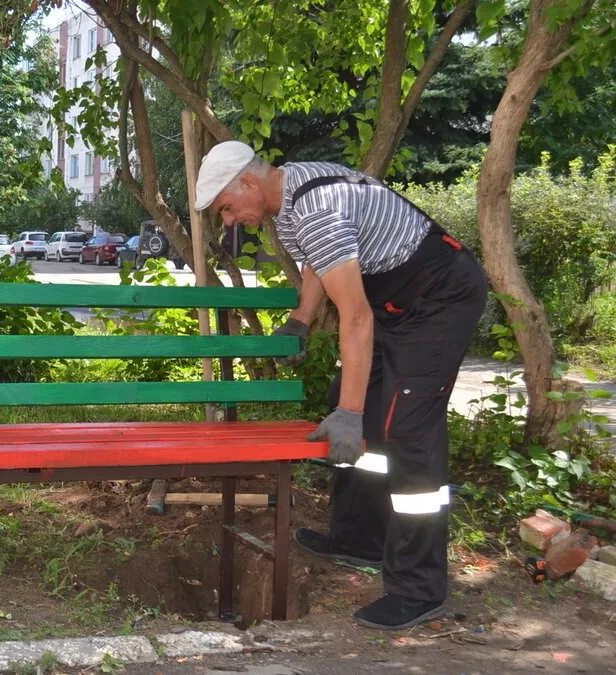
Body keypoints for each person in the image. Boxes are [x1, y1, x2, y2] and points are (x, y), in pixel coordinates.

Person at [193, 141, 488, 630]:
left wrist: (352, 414)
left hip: (439, 297)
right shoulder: (286, 203)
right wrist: (301, 319)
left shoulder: (315, 209)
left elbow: (355, 316)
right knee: (349, 403)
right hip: (398, 302)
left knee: (406, 428)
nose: (228, 220)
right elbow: (319, 264)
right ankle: (360, 539)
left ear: (248, 182)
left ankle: (419, 587)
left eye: (225, 207)